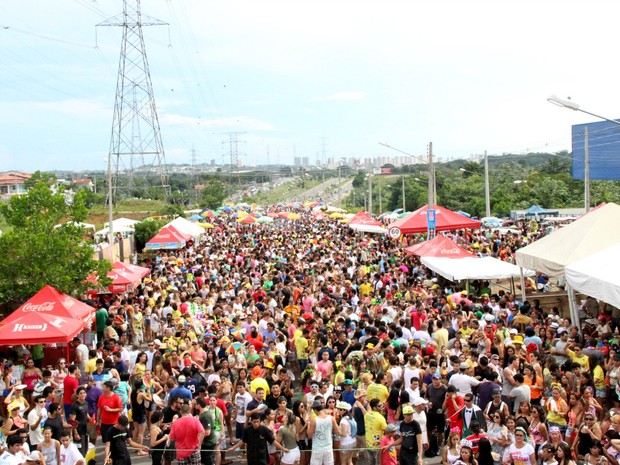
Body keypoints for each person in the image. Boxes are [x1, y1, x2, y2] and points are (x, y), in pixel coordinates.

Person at [307, 400, 343, 465]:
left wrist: (308, 425)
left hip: (317, 448)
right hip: (328, 447)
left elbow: (309, 435)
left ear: (315, 410)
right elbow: (338, 431)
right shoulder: (331, 418)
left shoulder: (314, 420)